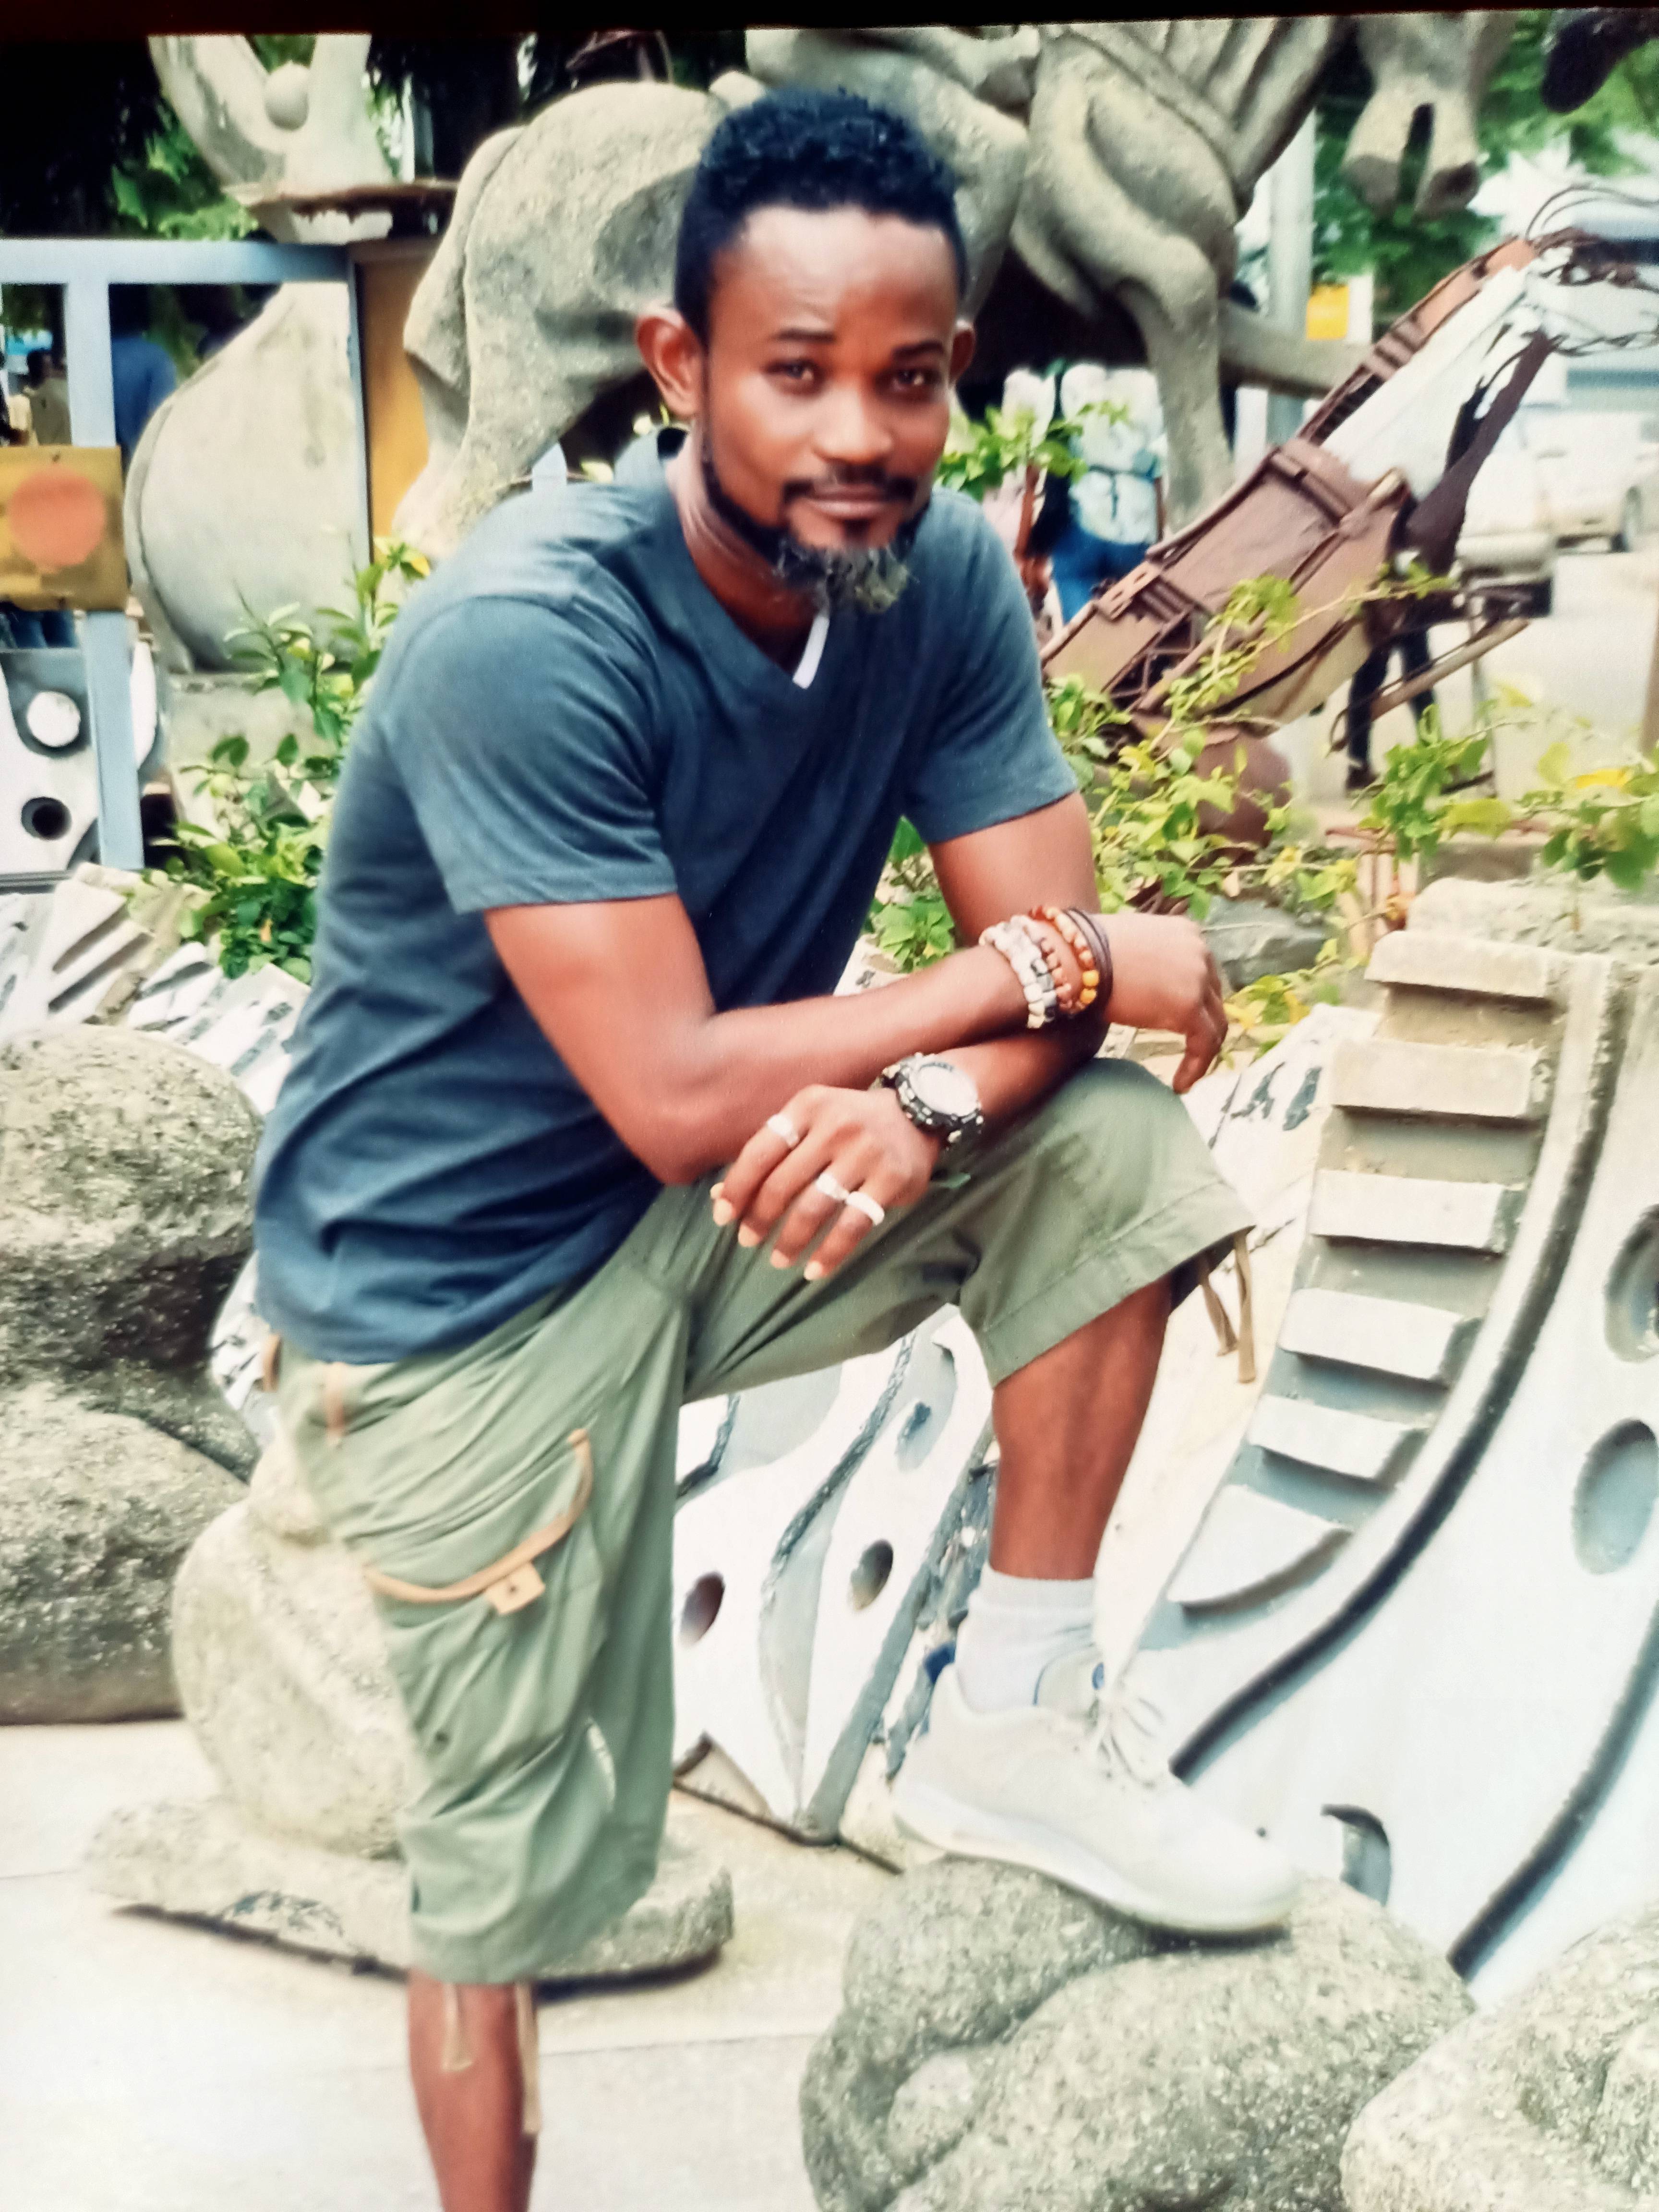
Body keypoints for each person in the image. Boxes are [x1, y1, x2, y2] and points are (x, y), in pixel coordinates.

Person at [254, 89, 1298, 2212]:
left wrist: (932, 1095)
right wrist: (1028, 975)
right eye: (795, 372)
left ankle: (1014, 1718)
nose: (857, 432)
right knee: (514, 1878)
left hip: (716, 1199)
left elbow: (1066, 1008)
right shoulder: (526, 636)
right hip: (450, 1296)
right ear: (679, 368)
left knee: (1101, 1145)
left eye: (905, 378)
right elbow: (681, 1074)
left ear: (955, 375)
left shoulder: (940, 590)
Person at [108, 289, 176, 468]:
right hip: (144, 467)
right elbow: (164, 421)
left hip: (98, 465)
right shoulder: (156, 359)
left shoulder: (92, 357)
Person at [23, 349, 70, 446]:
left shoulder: (60, 396)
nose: (47, 372)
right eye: (44, 367)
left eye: (49, 367)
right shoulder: (24, 400)